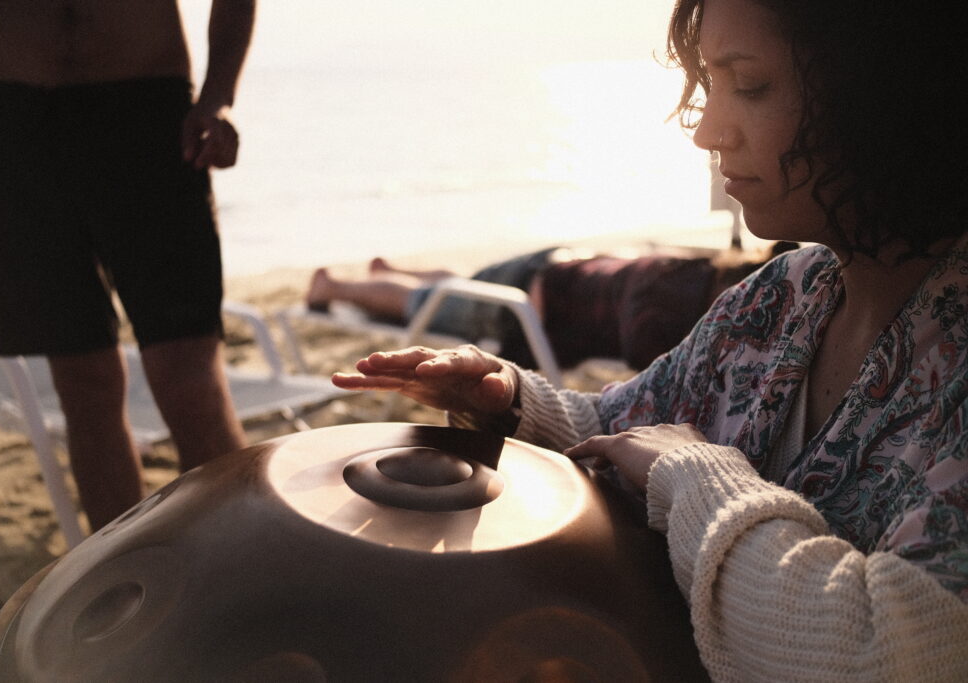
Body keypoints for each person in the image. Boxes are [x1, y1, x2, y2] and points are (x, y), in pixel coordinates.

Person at [332, 0, 968, 679]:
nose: (710, 132)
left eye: (749, 85)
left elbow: (895, 654)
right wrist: (510, 401)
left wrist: (702, 482)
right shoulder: (784, 294)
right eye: (710, 85)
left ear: (882, 90)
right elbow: (627, 428)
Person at [0, 0, 256, 531]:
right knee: (82, 382)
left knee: (188, 376)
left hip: (148, 113)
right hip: (26, 121)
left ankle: (240, 574)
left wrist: (218, 97)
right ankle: (124, 582)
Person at [308, 242, 796, 371]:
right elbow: (649, 358)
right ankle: (333, 287)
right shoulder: (665, 313)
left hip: (555, 267)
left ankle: (386, 269)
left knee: (459, 284)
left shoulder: (697, 268)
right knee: (422, 303)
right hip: (525, 306)